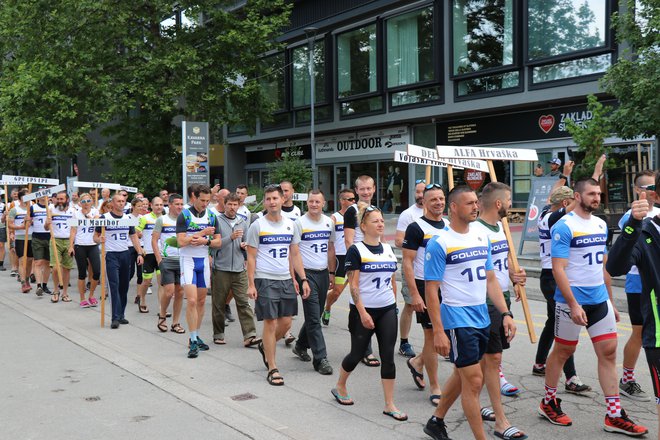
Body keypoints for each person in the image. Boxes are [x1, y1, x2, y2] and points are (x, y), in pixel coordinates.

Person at [538, 178, 647, 436]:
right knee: (563, 351)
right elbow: (558, 269)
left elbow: (603, 265)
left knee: (609, 353)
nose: (597, 198)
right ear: (577, 196)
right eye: (591, 194)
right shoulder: (564, 226)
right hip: (571, 301)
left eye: (599, 194)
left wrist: (609, 300)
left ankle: (614, 415)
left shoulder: (600, 224)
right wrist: (573, 304)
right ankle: (548, 401)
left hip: (599, 299)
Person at [422, 186, 515, 440]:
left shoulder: (480, 237)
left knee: (463, 375)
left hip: (482, 316)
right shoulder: (440, 242)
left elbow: (491, 280)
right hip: (456, 318)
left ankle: (436, 420)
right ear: (454, 208)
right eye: (469, 203)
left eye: (476, 202)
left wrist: (506, 313)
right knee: (474, 380)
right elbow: (432, 291)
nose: (475, 207)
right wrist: (439, 331)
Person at [332, 204, 407, 422]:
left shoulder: (387, 249)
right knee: (357, 354)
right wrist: (363, 312)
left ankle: (389, 404)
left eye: (382, 220)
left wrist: (393, 303)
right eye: (375, 221)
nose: (381, 224)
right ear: (363, 226)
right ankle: (340, 385)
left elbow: (392, 279)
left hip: (386, 309)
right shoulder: (356, 250)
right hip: (362, 311)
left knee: (388, 357)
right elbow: (354, 286)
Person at [470, 182, 528, 438]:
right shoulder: (475, 231)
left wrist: (515, 277)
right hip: (482, 302)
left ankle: (440, 415)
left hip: (501, 298)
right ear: (498, 203)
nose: (510, 204)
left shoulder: (500, 228)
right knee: (490, 359)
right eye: (508, 200)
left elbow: (501, 264)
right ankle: (499, 419)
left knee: (480, 362)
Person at [607, 173, 660, 437]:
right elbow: (615, 265)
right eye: (647, 186)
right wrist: (633, 224)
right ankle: (627, 378)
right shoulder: (636, 219)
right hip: (641, 287)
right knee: (638, 332)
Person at [246, 184, 309, 386]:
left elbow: (295, 254)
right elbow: (251, 257)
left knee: (287, 323)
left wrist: (302, 279)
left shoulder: (292, 224)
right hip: (265, 279)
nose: (272, 202)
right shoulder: (257, 225)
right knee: (270, 323)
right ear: (264, 202)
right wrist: (251, 284)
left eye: (275, 198)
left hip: (285, 280)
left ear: (283, 199)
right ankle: (273, 367)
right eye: (268, 199)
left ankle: (266, 345)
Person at [402, 183, 447, 406]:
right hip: (424, 286)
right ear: (424, 203)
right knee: (432, 335)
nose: (438, 203)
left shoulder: (449, 225)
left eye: (441, 198)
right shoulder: (416, 227)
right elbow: (408, 263)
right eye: (433, 200)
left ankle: (418, 362)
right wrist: (414, 295)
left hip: (446, 286)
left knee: (440, 334)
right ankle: (436, 386)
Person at [291, 189, 335, 375]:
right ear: (307, 203)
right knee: (313, 318)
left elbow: (331, 248)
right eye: (311, 201)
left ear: (323, 203)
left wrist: (332, 272)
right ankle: (320, 359)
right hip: (306, 274)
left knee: (315, 316)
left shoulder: (328, 223)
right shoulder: (299, 223)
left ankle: (300, 345)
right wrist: (300, 278)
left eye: (318, 202)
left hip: (323, 273)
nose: (314, 205)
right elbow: (295, 252)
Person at [176, 185, 222, 358]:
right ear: (194, 197)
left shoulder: (211, 216)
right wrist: (201, 233)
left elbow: (218, 242)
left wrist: (206, 242)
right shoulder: (184, 215)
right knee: (193, 301)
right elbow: (181, 242)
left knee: (202, 301)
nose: (205, 204)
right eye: (202, 200)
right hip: (187, 261)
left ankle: (195, 335)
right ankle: (193, 340)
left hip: (203, 261)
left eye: (207, 201)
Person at [210, 192, 261, 347]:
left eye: (235, 204)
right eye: (229, 204)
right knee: (218, 304)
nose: (232, 207)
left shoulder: (242, 222)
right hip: (221, 268)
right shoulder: (216, 221)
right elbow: (213, 245)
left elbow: (246, 244)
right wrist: (230, 238)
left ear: (239, 206)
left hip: (239, 269)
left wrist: (244, 246)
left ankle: (250, 335)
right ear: (224, 204)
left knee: (243, 302)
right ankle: (218, 334)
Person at [342, 175, 380, 367]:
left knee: (370, 302)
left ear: (374, 189)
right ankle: (365, 350)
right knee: (358, 303)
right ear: (356, 191)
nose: (366, 192)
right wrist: (354, 265)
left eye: (369, 188)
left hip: (373, 262)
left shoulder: (375, 210)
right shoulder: (351, 211)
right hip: (358, 262)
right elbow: (349, 240)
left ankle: (303, 341)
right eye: (362, 189)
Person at [93, 193, 145, 329]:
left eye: (123, 201)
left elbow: (133, 236)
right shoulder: (105, 218)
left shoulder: (128, 218)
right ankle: (114, 317)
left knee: (124, 286)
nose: (121, 203)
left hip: (125, 254)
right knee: (114, 285)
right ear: (113, 203)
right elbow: (95, 236)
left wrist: (139, 252)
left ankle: (121, 314)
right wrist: (99, 240)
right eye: (118, 201)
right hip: (111, 255)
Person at [395, 179, 426, 358]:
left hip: (432, 270)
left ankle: (441, 339)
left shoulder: (439, 215)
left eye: (423, 192)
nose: (420, 195)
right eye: (418, 192)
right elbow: (398, 240)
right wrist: (417, 243)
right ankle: (404, 342)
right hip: (412, 267)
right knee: (410, 304)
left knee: (437, 305)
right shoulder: (408, 214)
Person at [152, 193, 185, 334]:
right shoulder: (162, 220)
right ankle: (163, 315)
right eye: (177, 204)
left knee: (180, 292)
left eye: (181, 204)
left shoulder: (185, 220)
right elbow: (154, 240)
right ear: (170, 205)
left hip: (183, 261)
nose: (180, 207)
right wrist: (159, 259)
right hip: (167, 261)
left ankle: (176, 322)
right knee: (169, 291)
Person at [322, 188, 356, 325]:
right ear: (342, 201)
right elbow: (329, 241)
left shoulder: (358, 215)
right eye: (350, 199)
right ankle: (327, 308)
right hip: (340, 258)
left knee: (357, 290)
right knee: (337, 292)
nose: (354, 201)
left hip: (354, 257)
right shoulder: (334, 218)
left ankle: (356, 320)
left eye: (354, 199)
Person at [68, 192, 100, 308]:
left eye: (88, 201)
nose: (86, 204)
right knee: (82, 273)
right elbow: (73, 230)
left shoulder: (95, 211)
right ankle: (82, 298)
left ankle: (91, 295)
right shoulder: (75, 214)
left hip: (92, 244)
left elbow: (97, 223)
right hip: (80, 245)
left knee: (96, 271)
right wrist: (71, 246)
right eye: (83, 201)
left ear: (92, 201)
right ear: (80, 203)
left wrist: (88, 216)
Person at [135, 196, 164, 314]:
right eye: (156, 205)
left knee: (161, 282)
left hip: (161, 254)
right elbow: (135, 233)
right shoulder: (145, 218)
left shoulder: (165, 219)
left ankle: (162, 308)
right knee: (146, 281)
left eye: (161, 205)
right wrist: (140, 251)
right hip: (148, 254)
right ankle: (141, 300)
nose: (159, 207)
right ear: (151, 206)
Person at [45, 191, 76, 303]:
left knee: (67, 268)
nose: (59, 201)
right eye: (57, 199)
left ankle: (65, 293)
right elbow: (46, 228)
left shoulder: (73, 211)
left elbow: (73, 229)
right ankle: (56, 290)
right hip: (55, 240)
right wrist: (47, 223)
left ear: (67, 199)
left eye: (61, 199)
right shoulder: (51, 209)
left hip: (68, 241)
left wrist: (71, 245)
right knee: (55, 268)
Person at [9, 189, 34, 293]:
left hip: (32, 237)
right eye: (25, 196)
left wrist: (31, 221)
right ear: (20, 198)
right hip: (20, 238)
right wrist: (21, 227)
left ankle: (27, 279)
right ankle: (23, 282)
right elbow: (10, 224)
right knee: (22, 260)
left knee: (29, 261)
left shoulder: (32, 209)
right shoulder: (14, 210)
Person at [30, 195, 53, 298]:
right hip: (37, 236)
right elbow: (29, 221)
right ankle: (38, 285)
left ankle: (45, 285)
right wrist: (27, 220)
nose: (43, 197)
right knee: (38, 262)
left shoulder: (52, 207)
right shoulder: (33, 207)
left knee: (48, 263)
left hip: (49, 236)